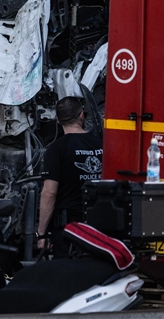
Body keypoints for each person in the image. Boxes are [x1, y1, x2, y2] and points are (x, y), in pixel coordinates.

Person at [38, 97, 103, 256]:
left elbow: (49, 193)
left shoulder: (56, 149)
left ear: (58, 120)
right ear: (81, 115)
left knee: (66, 275)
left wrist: (41, 233)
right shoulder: (101, 144)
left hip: (68, 229)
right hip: (99, 223)